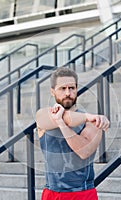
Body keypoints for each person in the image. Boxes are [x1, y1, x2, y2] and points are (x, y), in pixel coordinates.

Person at [35, 67, 110, 200]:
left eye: (72, 88)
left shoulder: (92, 122)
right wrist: (86, 116)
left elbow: (84, 152)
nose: (68, 93)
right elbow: (67, 118)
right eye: (62, 89)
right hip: (52, 193)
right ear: (52, 91)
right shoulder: (43, 115)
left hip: (82, 193)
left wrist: (61, 124)